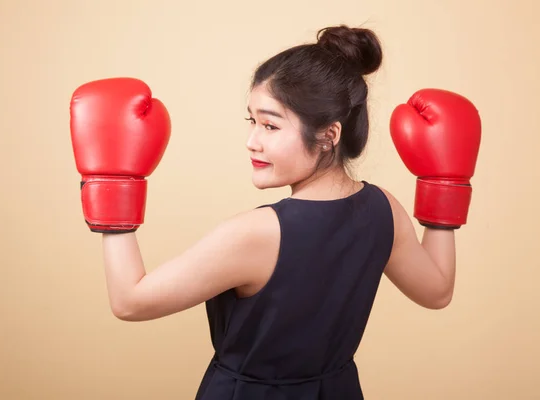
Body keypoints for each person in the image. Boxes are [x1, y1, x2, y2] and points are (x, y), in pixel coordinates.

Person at [69, 24, 481, 400]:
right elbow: (437, 291)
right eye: (251, 121)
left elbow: (129, 301)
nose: (251, 141)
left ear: (328, 134)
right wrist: (445, 185)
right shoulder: (384, 210)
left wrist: (112, 182)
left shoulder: (257, 233)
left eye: (270, 125)